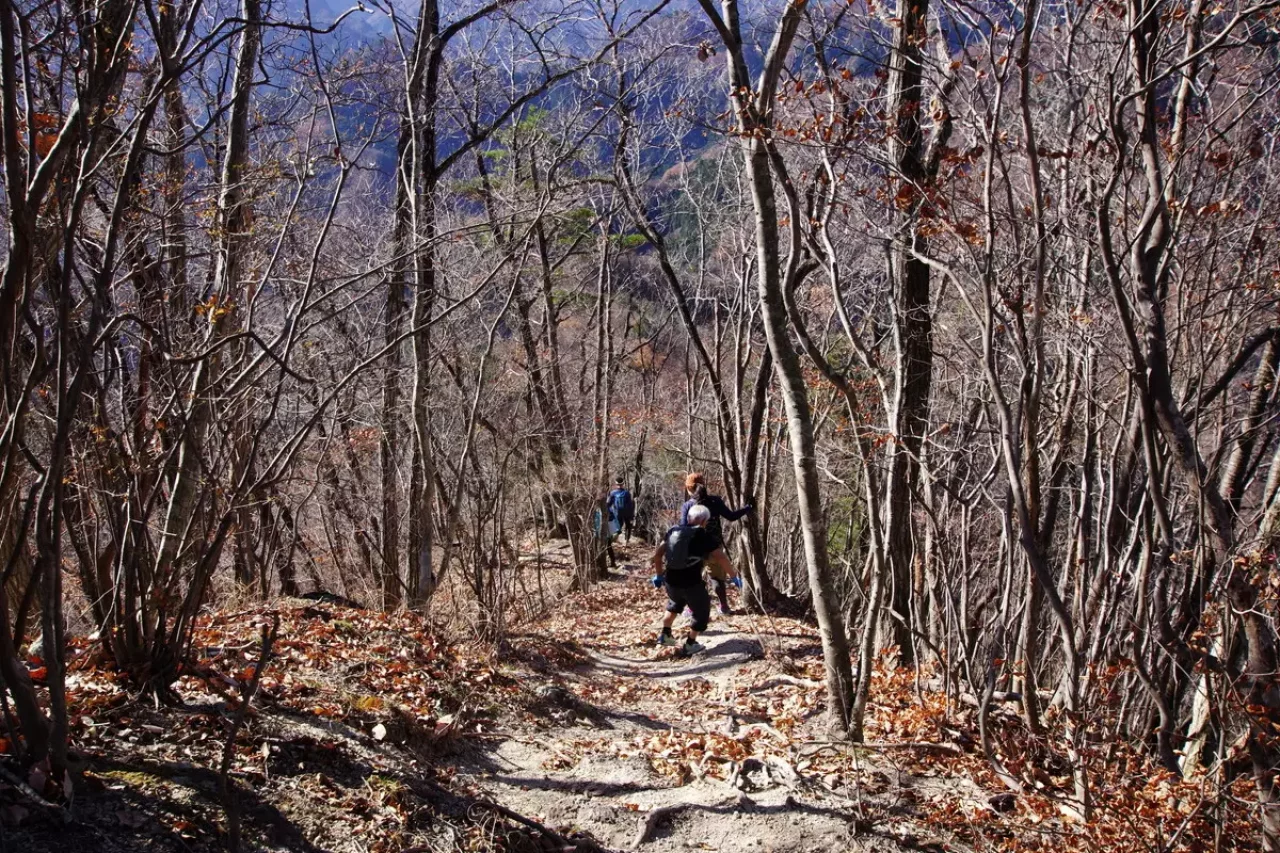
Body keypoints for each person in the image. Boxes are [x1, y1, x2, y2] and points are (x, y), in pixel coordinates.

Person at [650, 504, 734, 656]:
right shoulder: (703, 535)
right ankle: (690, 644)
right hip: (691, 582)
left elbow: (658, 555)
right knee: (702, 611)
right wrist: (734, 577)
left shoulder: (673, 531)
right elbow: (720, 557)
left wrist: (659, 575)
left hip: (671, 581)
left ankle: (665, 635)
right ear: (703, 521)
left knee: (675, 602)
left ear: (688, 518)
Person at [680, 473, 753, 615]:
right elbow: (731, 516)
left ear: (689, 489)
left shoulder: (687, 506)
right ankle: (724, 607)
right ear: (704, 485)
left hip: (694, 549)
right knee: (717, 578)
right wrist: (748, 508)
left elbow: (683, 528)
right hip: (714, 547)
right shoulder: (715, 501)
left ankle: (692, 608)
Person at [607, 478, 635, 545]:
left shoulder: (613, 493)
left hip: (617, 513)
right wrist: (632, 515)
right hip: (626, 514)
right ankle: (626, 541)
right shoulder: (627, 493)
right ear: (623, 484)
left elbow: (608, 504)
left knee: (619, 528)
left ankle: (614, 541)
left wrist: (610, 512)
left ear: (616, 484)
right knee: (627, 526)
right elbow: (630, 505)